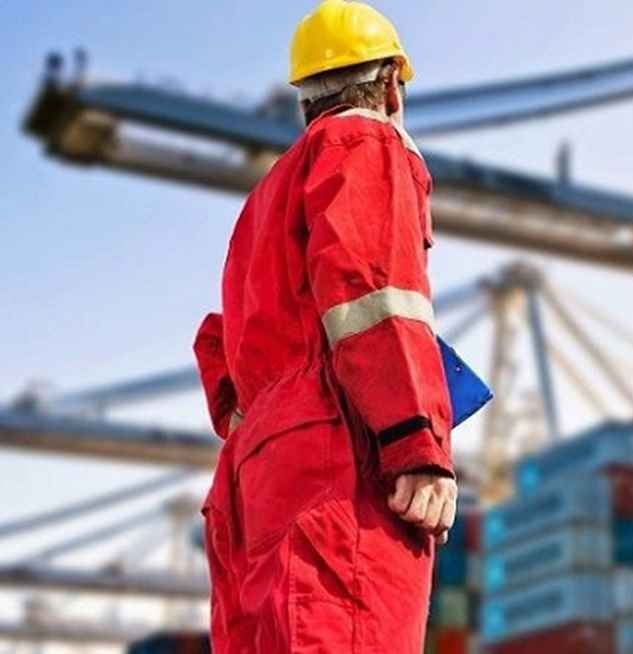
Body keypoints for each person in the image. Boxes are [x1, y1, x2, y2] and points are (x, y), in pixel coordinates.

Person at [192, 2, 457, 651]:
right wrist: (416, 442)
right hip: (337, 460)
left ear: (304, 101)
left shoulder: (262, 201)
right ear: (391, 85)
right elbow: (376, 292)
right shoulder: (365, 141)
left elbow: (219, 347)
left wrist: (259, 423)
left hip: (255, 478)